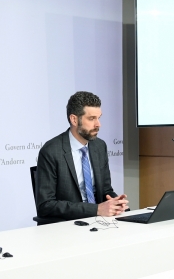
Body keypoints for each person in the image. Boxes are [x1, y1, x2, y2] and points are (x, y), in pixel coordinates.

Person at [35, 91, 128, 222]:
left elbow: (105, 190)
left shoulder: (99, 146)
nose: (98, 124)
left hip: (98, 221)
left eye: (99, 118)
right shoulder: (51, 151)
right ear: (74, 119)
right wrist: (96, 210)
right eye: (91, 118)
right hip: (67, 224)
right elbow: (46, 205)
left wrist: (115, 203)